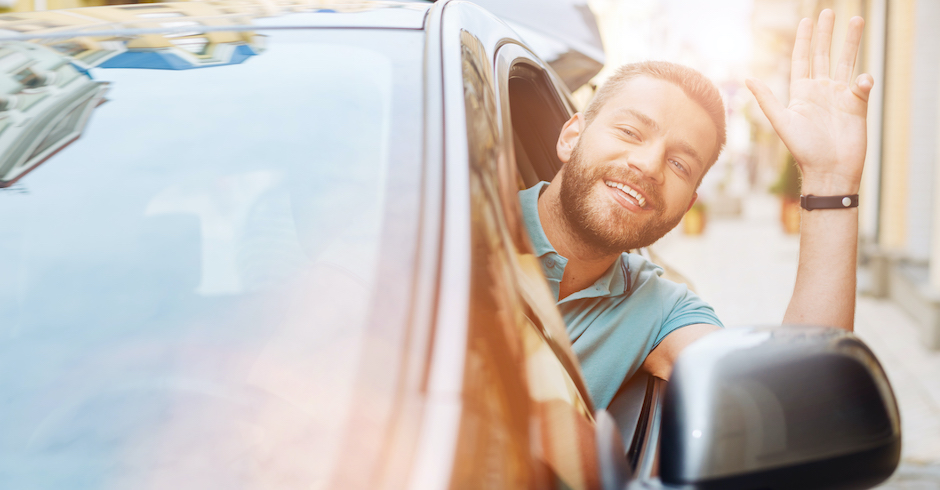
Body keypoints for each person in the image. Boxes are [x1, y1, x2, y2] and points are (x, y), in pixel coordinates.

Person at [521, 10, 873, 409]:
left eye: (679, 165)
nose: (649, 166)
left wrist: (830, 181)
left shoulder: (659, 311)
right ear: (571, 137)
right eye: (630, 132)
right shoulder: (465, 223)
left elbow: (798, 403)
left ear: (687, 205)